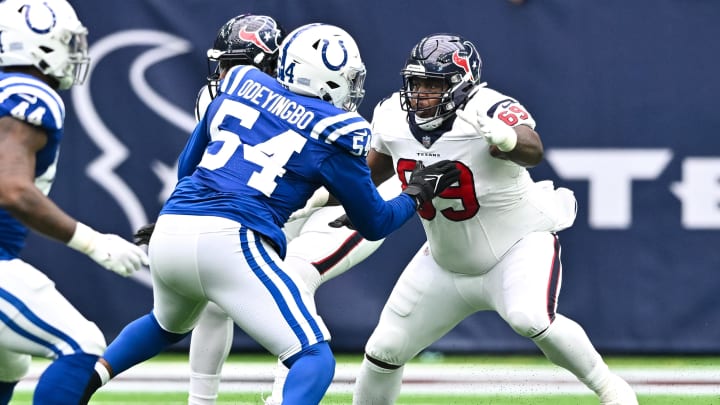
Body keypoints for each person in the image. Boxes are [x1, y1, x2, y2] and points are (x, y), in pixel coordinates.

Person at [77, 23, 459, 405]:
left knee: (164, 325)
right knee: (313, 357)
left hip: (174, 224)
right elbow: (376, 222)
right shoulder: (337, 129)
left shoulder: (238, 86)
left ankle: (77, 385)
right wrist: (416, 193)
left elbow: (187, 170)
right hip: (233, 240)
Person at [348, 33, 639, 405]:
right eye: (416, 82)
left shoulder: (486, 109)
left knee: (530, 317)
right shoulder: (392, 116)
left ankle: (612, 390)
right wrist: (332, 194)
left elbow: (532, 150)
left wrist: (506, 140)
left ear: (460, 85)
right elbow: (376, 169)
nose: (420, 93)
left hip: (517, 247)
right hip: (445, 261)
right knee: (383, 349)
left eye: (433, 84)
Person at [178, 15, 401, 405]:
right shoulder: (222, 98)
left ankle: (284, 399)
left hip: (333, 209)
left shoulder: (330, 119)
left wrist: (312, 201)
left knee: (295, 278)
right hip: (277, 211)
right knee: (215, 303)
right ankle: (200, 401)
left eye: (240, 65)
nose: (228, 74)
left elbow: (350, 190)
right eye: (227, 64)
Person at [0, 0, 149, 404]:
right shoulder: (29, 92)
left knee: (7, 363)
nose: (75, 51)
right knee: (81, 342)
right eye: (67, 41)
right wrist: (93, 243)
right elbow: (12, 188)